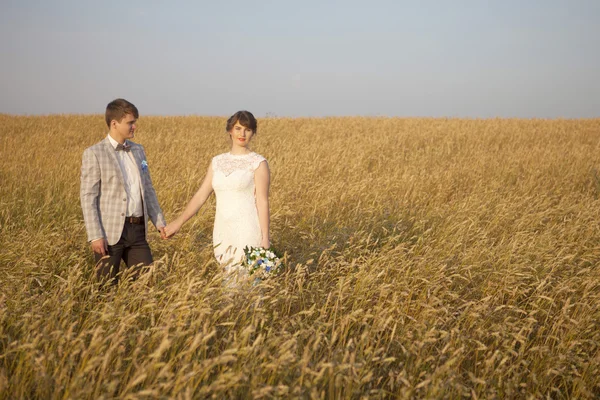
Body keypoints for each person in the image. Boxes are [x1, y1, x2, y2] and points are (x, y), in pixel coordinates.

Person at [163, 110, 270, 279]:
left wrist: (265, 239)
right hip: (222, 231)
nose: (242, 134)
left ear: (253, 133)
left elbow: (262, 202)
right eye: (238, 128)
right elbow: (200, 196)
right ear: (230, 130)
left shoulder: (258, 163)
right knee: (228, 285)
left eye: (247, 129)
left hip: (248, 231)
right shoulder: (217, 162)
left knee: (250, 286)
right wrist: (178, 222)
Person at [80, 98, 167, 284]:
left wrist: (159, 222)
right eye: (130, 123)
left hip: (138, 231)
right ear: (114, 123)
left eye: (135, 122)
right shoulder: (94, 153)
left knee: (147, 286)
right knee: (105, 289)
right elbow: (88, 197)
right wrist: (95, 236)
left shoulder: (139, 151)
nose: (135, 126)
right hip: (109, 233)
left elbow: (148, 188)